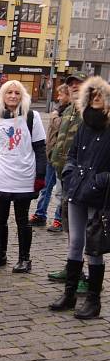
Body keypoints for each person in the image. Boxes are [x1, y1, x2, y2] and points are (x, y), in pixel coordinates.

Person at [49, 77, 110, 320]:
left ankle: (93, 301)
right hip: (77, 190)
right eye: (92, 95)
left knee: (93, 246)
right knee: (75, 242)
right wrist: (69, 173)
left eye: (100, 95)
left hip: (99, 194)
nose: (96, 99)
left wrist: (101, 180)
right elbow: (72, 154)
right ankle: (70, 293)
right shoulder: (84, 124)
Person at [0, 80, 46, 273]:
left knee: (22, 220)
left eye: (17, 93)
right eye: (9, 92)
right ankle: (0, 255)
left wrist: (40, 175)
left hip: (23, 176)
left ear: (22, 96)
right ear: (3, 95)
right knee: (0, 219)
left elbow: (40, 149)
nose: (13, 96)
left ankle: (24, 259)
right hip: (1, 175)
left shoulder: (32, 117)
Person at [48, 72, 88, 283]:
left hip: (83, 179)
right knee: (69, 225)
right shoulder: (70, 110)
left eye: (79, 84)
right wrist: (52, 157)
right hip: (64, 176)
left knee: (85, 229)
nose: (74, 87)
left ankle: (83, 275)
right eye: (71, 84)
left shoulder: (92, 112)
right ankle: (72, 266)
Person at [31, 84, 70, 229]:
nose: (58, 98)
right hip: (51, 155)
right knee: (45, 187)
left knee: (61, 191)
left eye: (61, 95)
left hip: (63, 159)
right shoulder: (59, 110)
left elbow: (62, 127)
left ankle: (59, 219)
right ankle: (40, 214)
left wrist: (54, 117)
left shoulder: (70, 112)